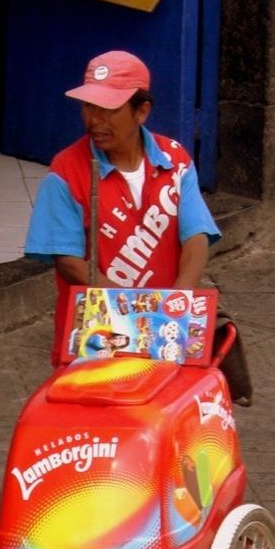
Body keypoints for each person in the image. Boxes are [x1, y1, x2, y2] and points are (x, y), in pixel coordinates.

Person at [24, 49, 252, 404]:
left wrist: (175, 302)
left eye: (109, 110)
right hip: (100, 334)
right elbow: (69, 263)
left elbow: (195, 236)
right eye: (88, 107)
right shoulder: (65, 172)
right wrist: (138, 313)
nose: (94, 120)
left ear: (141, 111)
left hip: (166, 330)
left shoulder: (174, 160)